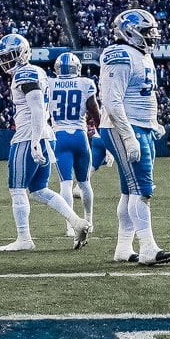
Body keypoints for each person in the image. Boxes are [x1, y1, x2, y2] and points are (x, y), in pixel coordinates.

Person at [0, 34, 91, 251]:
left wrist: (35, 140)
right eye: (4, 57)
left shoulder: (25, 73)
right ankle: (76, 222)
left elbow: (37, 107)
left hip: (29, 136)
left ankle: (24, 239)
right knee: (39, 189)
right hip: (47, 136)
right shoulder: (37, 71)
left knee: (17, 189)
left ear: (23, 53)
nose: (7, 60)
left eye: (11, 55)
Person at [99, 9, 170, 266]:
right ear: (131, 32)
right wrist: (129, 136)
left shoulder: (141, 55)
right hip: (125, 127)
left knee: (129, 191)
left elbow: (143, 95)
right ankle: (148, 249)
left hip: (140, 126)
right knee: (141, 190)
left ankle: (123, 248)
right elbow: (112, 102)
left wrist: (152, 122)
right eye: (147, 31)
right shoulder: (119, 54)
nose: (152, 36)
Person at [49, 52, 100, 237]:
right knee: (85, 183)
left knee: (65, 184)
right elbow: (94, 110)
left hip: (60, 136)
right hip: (80, 135)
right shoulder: (85, 83)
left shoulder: (49, 83)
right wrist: (101, 133)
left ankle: (71, 226)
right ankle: (89, 221)